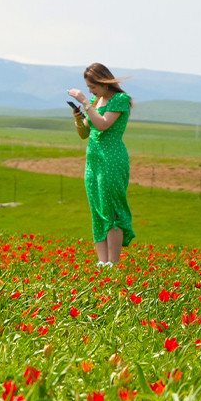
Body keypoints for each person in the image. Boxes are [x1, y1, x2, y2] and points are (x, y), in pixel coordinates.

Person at [68, 63, 135, 267]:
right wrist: (79, 118)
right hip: (94, 162)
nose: (90, 91)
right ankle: (102, 263)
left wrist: (85, 102)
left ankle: (113, 264)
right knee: (97, 209)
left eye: (93, 87)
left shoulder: (120, 99)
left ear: (104, 82)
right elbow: (85, 133)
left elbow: (103, 124)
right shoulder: (96, 101)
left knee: (111, 209)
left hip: (111, 160)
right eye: (88, 88)